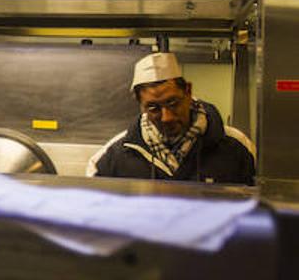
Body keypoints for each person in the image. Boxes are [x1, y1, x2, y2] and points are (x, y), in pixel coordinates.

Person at [87, 52, 255, 184]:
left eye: (173, 103)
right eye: (153, 108)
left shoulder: (236, 147)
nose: (166, 117)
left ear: (188, 92)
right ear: (140, 105)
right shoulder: (116, 155)